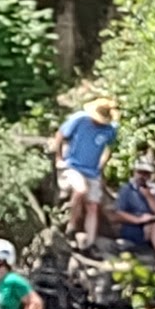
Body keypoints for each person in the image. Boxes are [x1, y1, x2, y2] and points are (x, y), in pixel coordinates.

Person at [54, 97, 119, 246]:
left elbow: (109, 147)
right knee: (81, 189)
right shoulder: (79, 119)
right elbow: (60, 135)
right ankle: (71, 225)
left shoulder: (110, 129)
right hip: (73, 165)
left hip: (93, 171)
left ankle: (89, 242)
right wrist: (58, 158)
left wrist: (102, 163)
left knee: (93, 206)